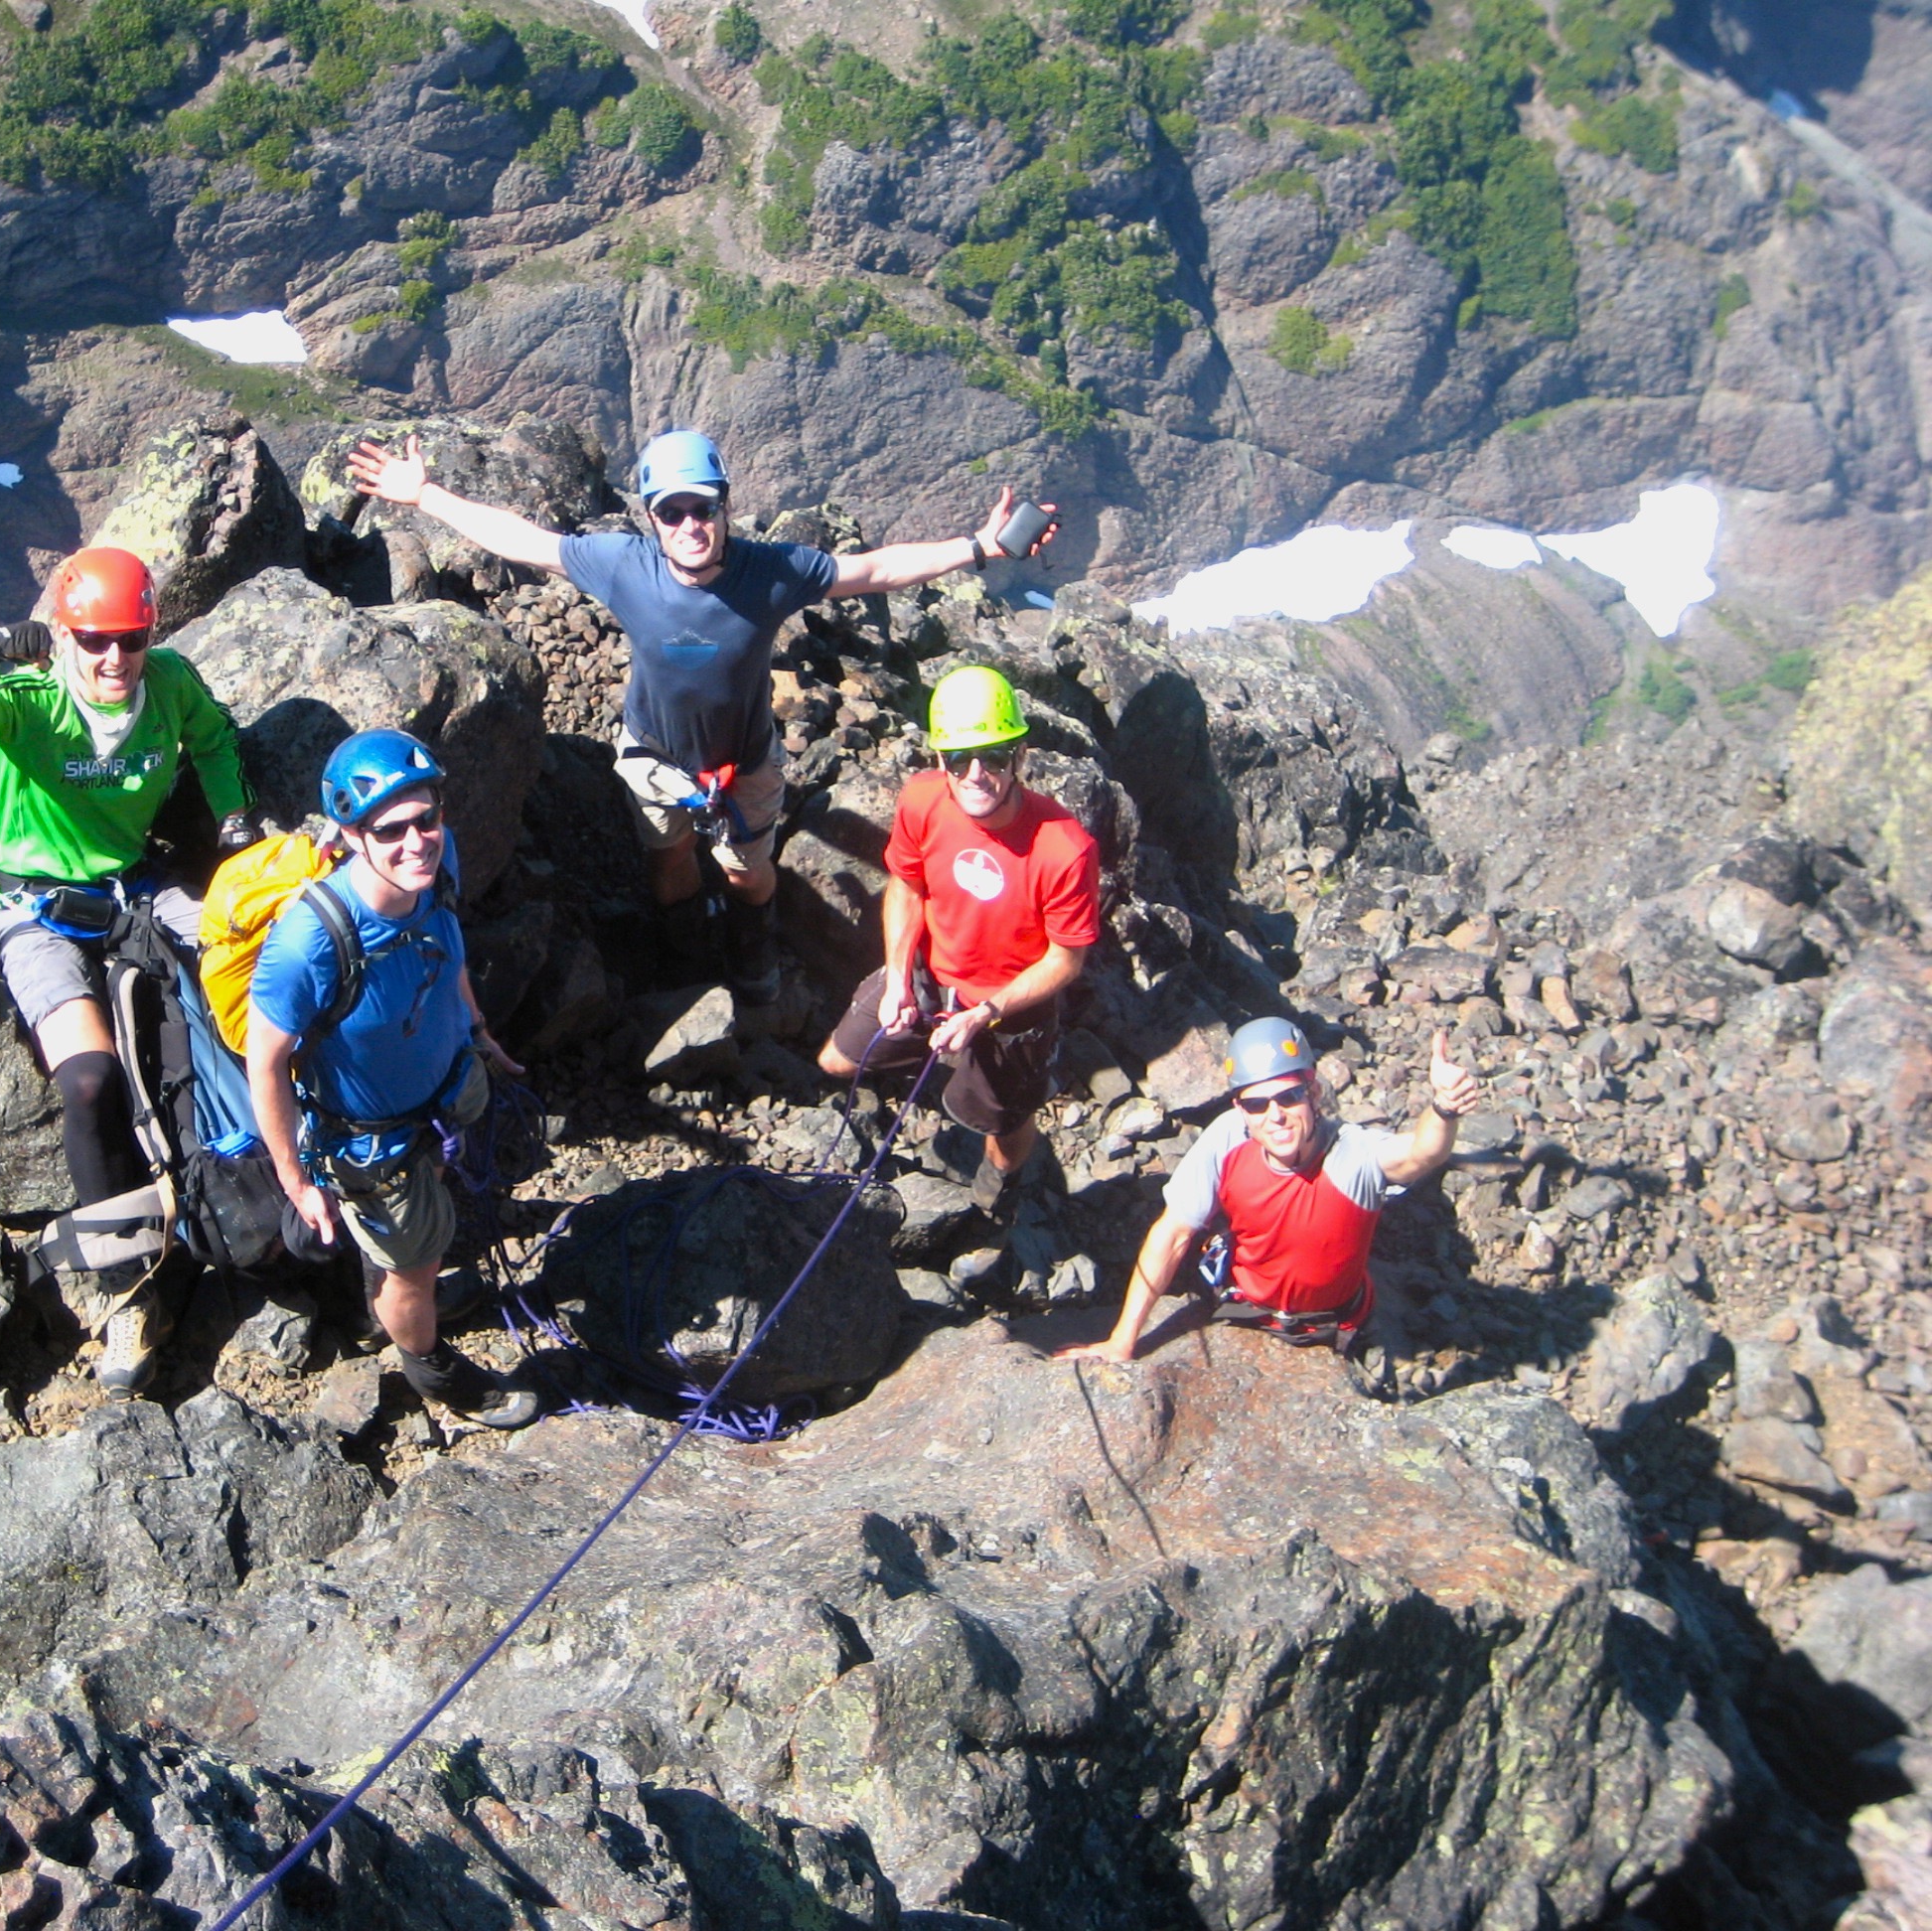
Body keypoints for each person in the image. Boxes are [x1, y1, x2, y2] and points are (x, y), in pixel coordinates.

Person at [346, 427, 1057, 1003]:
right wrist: (426, 495)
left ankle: (751, 954)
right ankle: (687, 955)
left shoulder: (769, 572)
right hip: (655, 758)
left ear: (724, 506)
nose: (690, 525)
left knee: (750, 872)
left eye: (703, 508)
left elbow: (870, 570)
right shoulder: (624, 565)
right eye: (671, 511)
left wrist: (978, 547)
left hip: (744, 761)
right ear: (651, 518)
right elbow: (520, 539)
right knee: (668, 857)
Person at [0, 545, 251, 1396]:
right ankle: (128, 1290)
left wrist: (237, 820)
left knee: (250, 979)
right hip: (36, 906)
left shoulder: (169, 683)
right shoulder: (28, 701)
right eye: (94, 639)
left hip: (133, 887)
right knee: (91, 1082)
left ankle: (281, 1191)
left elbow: (213, 741)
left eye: (130, 639)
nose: (114, 659)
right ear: (65, 634)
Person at [243, 729, 540, 1431]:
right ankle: (429, 1361)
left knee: (432, 1214)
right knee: (416, 1259)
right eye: (393, 829)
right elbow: (266, 1064)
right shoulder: (309, 943)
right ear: (350, 834)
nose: (418, 842)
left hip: (439, 1091)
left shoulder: (439, 865)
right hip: (371, 1145)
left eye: (428, 818)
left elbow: (448, 949)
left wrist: (477, 1029)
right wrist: (296, 1180)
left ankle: (399, 1292)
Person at [817, 667, 1098, 1214]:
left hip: (1008, 1006)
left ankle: (999, 1187)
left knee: (1001, 1121)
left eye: (993, 756)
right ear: (938, 759)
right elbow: (906, 883)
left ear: (1020, 756)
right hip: (927, 972)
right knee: (836, 1061)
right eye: (958, 759)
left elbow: (1066, 959)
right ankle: (936, 1066)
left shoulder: (1064, 848)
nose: (976, 775)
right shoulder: (923, 800)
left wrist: (984, 1012)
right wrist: (898, 976)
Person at [1060, 1018, 1483, 1364]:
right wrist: (1123, 1340)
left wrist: (1443, 1108)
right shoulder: (1227, 1138)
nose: (1275, 1116)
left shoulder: (1351, 1152)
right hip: (1242, 1307)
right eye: (1258, 1104)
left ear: (1314, 1092)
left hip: (1329, 1324)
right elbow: (1172, 1234)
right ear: (1240, 1108)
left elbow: (1419, 1155)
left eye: (1289, 1097)